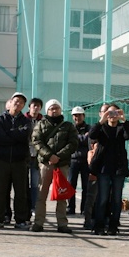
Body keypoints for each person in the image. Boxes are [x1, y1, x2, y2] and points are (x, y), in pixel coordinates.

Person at [30, 99, 78, 233]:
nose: (54, 110)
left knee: (62, 195)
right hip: (45, 164)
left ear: (61, 110)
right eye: (51, 108)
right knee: (41, 194)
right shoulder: (40, 124)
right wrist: (49, 156)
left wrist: (58, 156)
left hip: (62, 164)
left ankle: (62, 224)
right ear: (47, 110)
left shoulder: (68, 126)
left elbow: (73, 143)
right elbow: (36, 141)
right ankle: (38, 222)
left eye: (56, 108)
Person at [88, 103, 129, 236]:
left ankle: (114, 226)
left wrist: (124, 119)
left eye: (115, 113)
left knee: (116, 199)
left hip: (118, 168)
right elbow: (92, 135)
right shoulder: (102, 128)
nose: (112, 116)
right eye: (110, 113)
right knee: (102, 198)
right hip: (103, 168)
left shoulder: (121, 127)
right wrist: (101, 121)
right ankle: (99, 226)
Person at [0, 92, 32, 229]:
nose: (18, 103)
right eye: (16, 100)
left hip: (19, 161)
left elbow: (25, 135)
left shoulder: (26, 121)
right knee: (0, 191)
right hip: (2, 160)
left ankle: (20, 220)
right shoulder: (0, 119)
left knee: (21, 192)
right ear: (10, 102)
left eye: (21, 102)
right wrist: (15, 135)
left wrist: (9, 134)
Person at [82, 103, 111, 230]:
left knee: (106, 197)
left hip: (109, 168)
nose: (106, 114)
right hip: (95, 167)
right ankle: (88, 220)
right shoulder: (95, 129)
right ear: (100, 114)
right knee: (91, 197)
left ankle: (105, 220)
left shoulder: (114, 129)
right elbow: (92, 146)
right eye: (104, 112)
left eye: (109, 112)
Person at [66, 106, 90, 216]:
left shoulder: (89, 128)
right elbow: (71, 141)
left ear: (83, 116)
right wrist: (82, 138)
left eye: (79, 115)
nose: (77, 117)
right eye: (75, 115)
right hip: (73, 160)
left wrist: (77, 138)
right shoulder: (69, 128)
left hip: (86, 160)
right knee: (71, 185)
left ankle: (84, 209)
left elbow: (87, 140)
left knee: (86, 185)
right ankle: (70, 208)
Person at [25, 97, 43, 215]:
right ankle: (25, 206)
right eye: (33, 105)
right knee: (24, 182)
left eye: (38, 106)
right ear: (29, 107)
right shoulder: (23, 120)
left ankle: (34, 206)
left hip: (37, 157)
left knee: (35, 183)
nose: (35, 108)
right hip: (25, 155)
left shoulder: (43, 121)